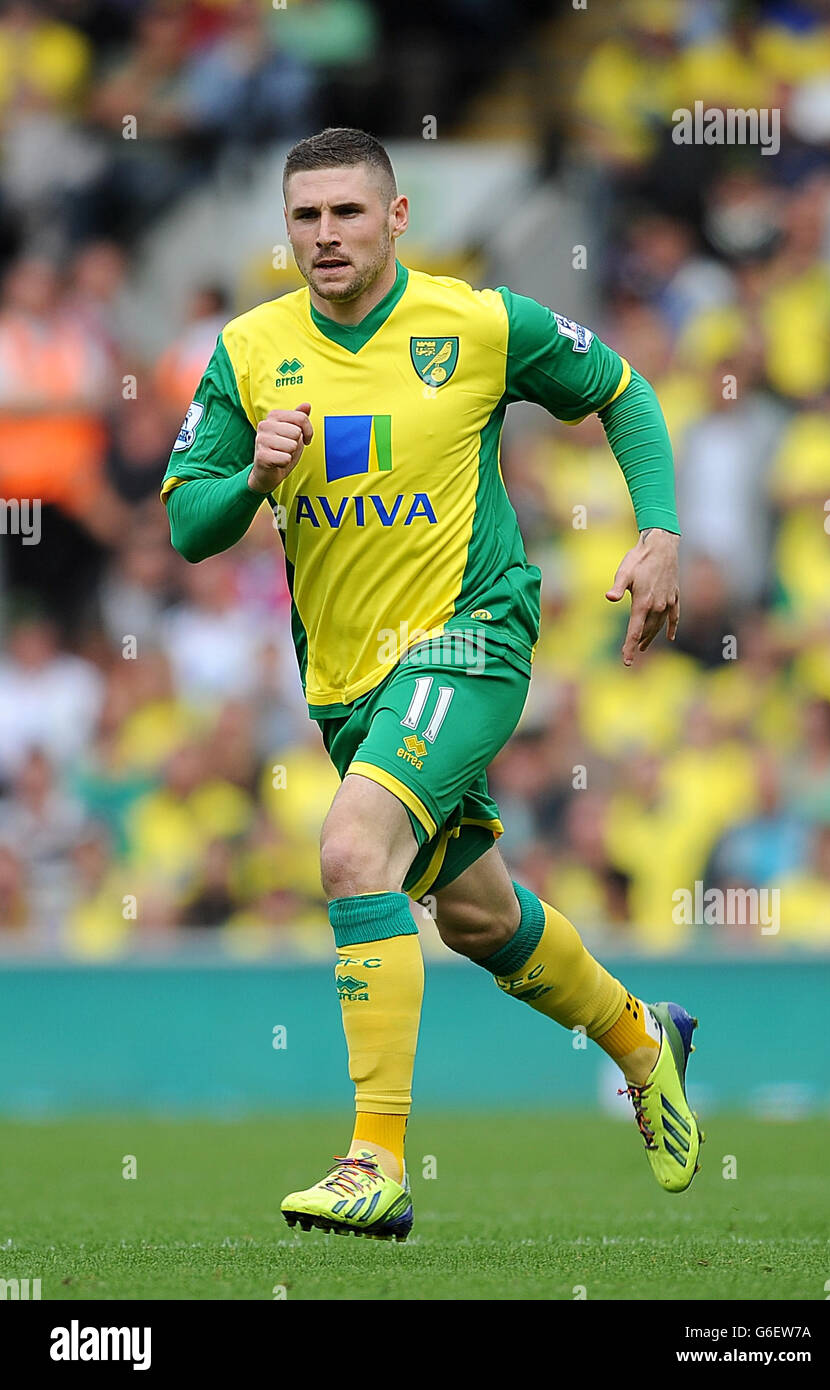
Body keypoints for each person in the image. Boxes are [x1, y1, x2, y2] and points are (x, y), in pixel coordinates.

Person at [161, 127, 701, 1242]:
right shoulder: (249, 353)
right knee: (473, 914)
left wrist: (658, 532)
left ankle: (377, 1160)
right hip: (350, 687)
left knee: (354, 849)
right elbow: (184, 523)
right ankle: (645, 1039)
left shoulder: (479, 322)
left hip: (471, 640)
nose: (325, 236)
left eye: (348, 213)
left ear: (396, 218)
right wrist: (252, 477)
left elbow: (623, 391)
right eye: (306, 217)